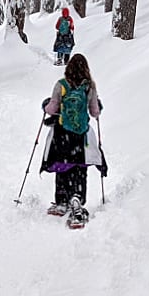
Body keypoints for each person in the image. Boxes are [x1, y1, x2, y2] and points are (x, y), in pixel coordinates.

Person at [40, 54, 105, 229]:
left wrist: (46, 105)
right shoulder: (89, 87)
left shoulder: (61, 85)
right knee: (78, 167)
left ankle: (61, 201)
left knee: (63, 166)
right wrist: (98, 105)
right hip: (80, 137)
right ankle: (77, 198)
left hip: (62, 135)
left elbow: (52, 109)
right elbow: (94, 112)